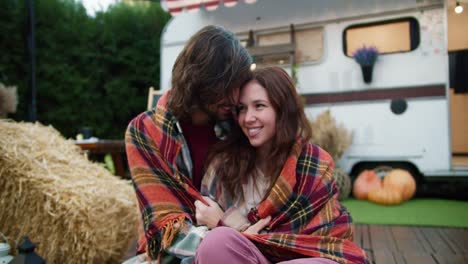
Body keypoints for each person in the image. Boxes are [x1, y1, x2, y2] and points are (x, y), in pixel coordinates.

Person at [194, 66, 369, 264]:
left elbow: (324, 241)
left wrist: (229, 222)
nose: (248, 118)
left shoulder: (313, 163)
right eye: (242, 108)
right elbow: (205, 227)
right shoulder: (224, 164)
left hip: (302, 259)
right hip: (246, 258)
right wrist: (231, 230)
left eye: (259, 106)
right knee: (216, 242)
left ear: (283, 109)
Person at [124, 25, 252, 263]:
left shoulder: (237, 126)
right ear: (200, 79)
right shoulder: (145, 131)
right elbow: (165, 227)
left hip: (236, 244)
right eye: (227, 86)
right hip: (176, 252)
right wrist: (230, 241)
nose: (235, 97)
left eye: (239, 86)